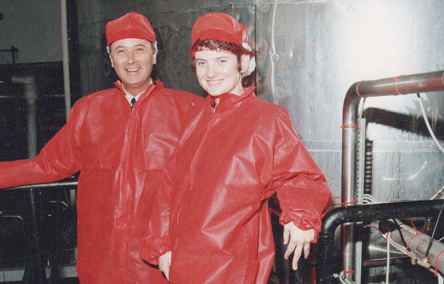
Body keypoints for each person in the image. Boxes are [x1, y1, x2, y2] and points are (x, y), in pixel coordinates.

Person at [0, 11, 207, 284]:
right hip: (101, 256)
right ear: (111, 59)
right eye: (121, 51)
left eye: (139, 50)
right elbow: (53, 162)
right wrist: (5, 177)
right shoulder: (89, 109)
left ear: (154, 55)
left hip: (158, 257)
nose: (130, 60)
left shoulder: (189, 110)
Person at [140, 12, 332, 283]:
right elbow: (168, 185)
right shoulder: (197, 118)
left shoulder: (267, 119)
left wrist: (300, 217)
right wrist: (162, 244)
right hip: (183, 262)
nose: (210, 72)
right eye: (201, 63)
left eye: (221, 61)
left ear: (243, 63)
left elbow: (299, 176)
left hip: (231, 265)